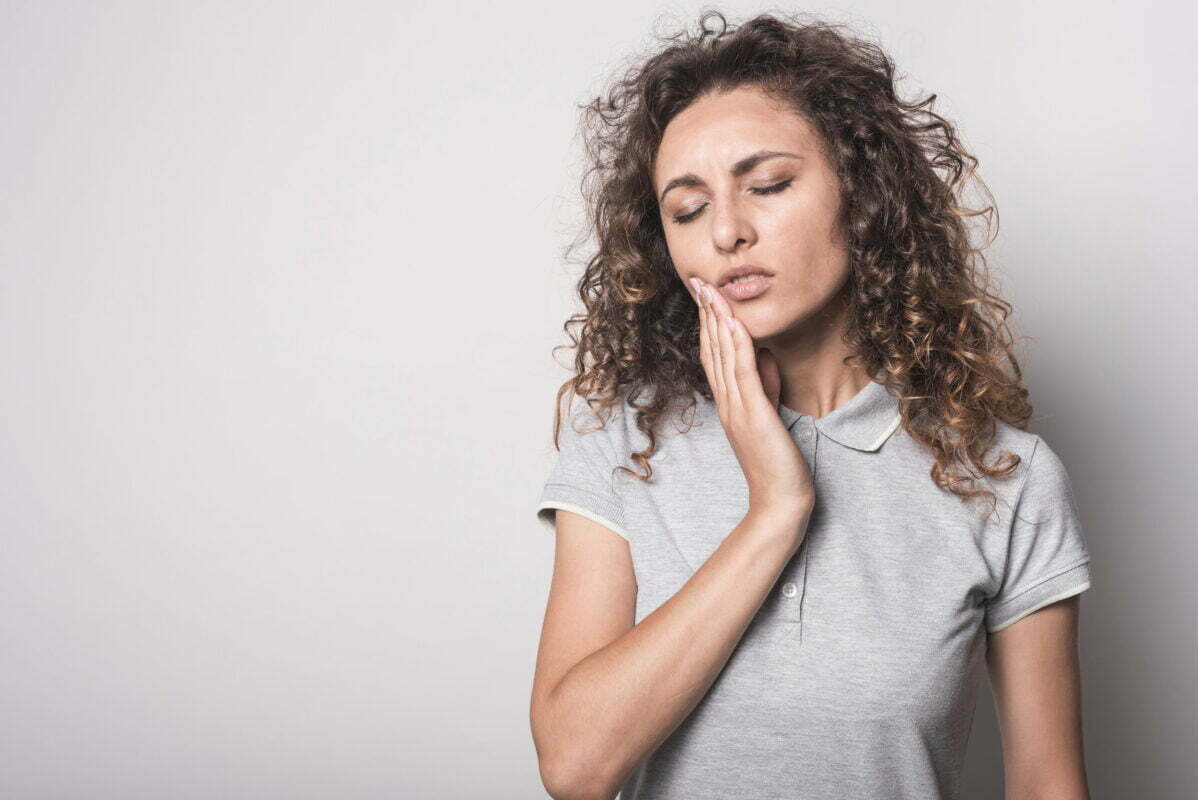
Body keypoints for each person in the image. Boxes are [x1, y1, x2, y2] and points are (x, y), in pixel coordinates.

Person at [528, 11, 1093, 800]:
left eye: (768, 186)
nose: (727, 231)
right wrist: (776, 508)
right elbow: (575, 765)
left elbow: (1047, 786)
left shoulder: (1004, 476)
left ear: (862, 196)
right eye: (687, 210)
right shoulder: (625, 444)